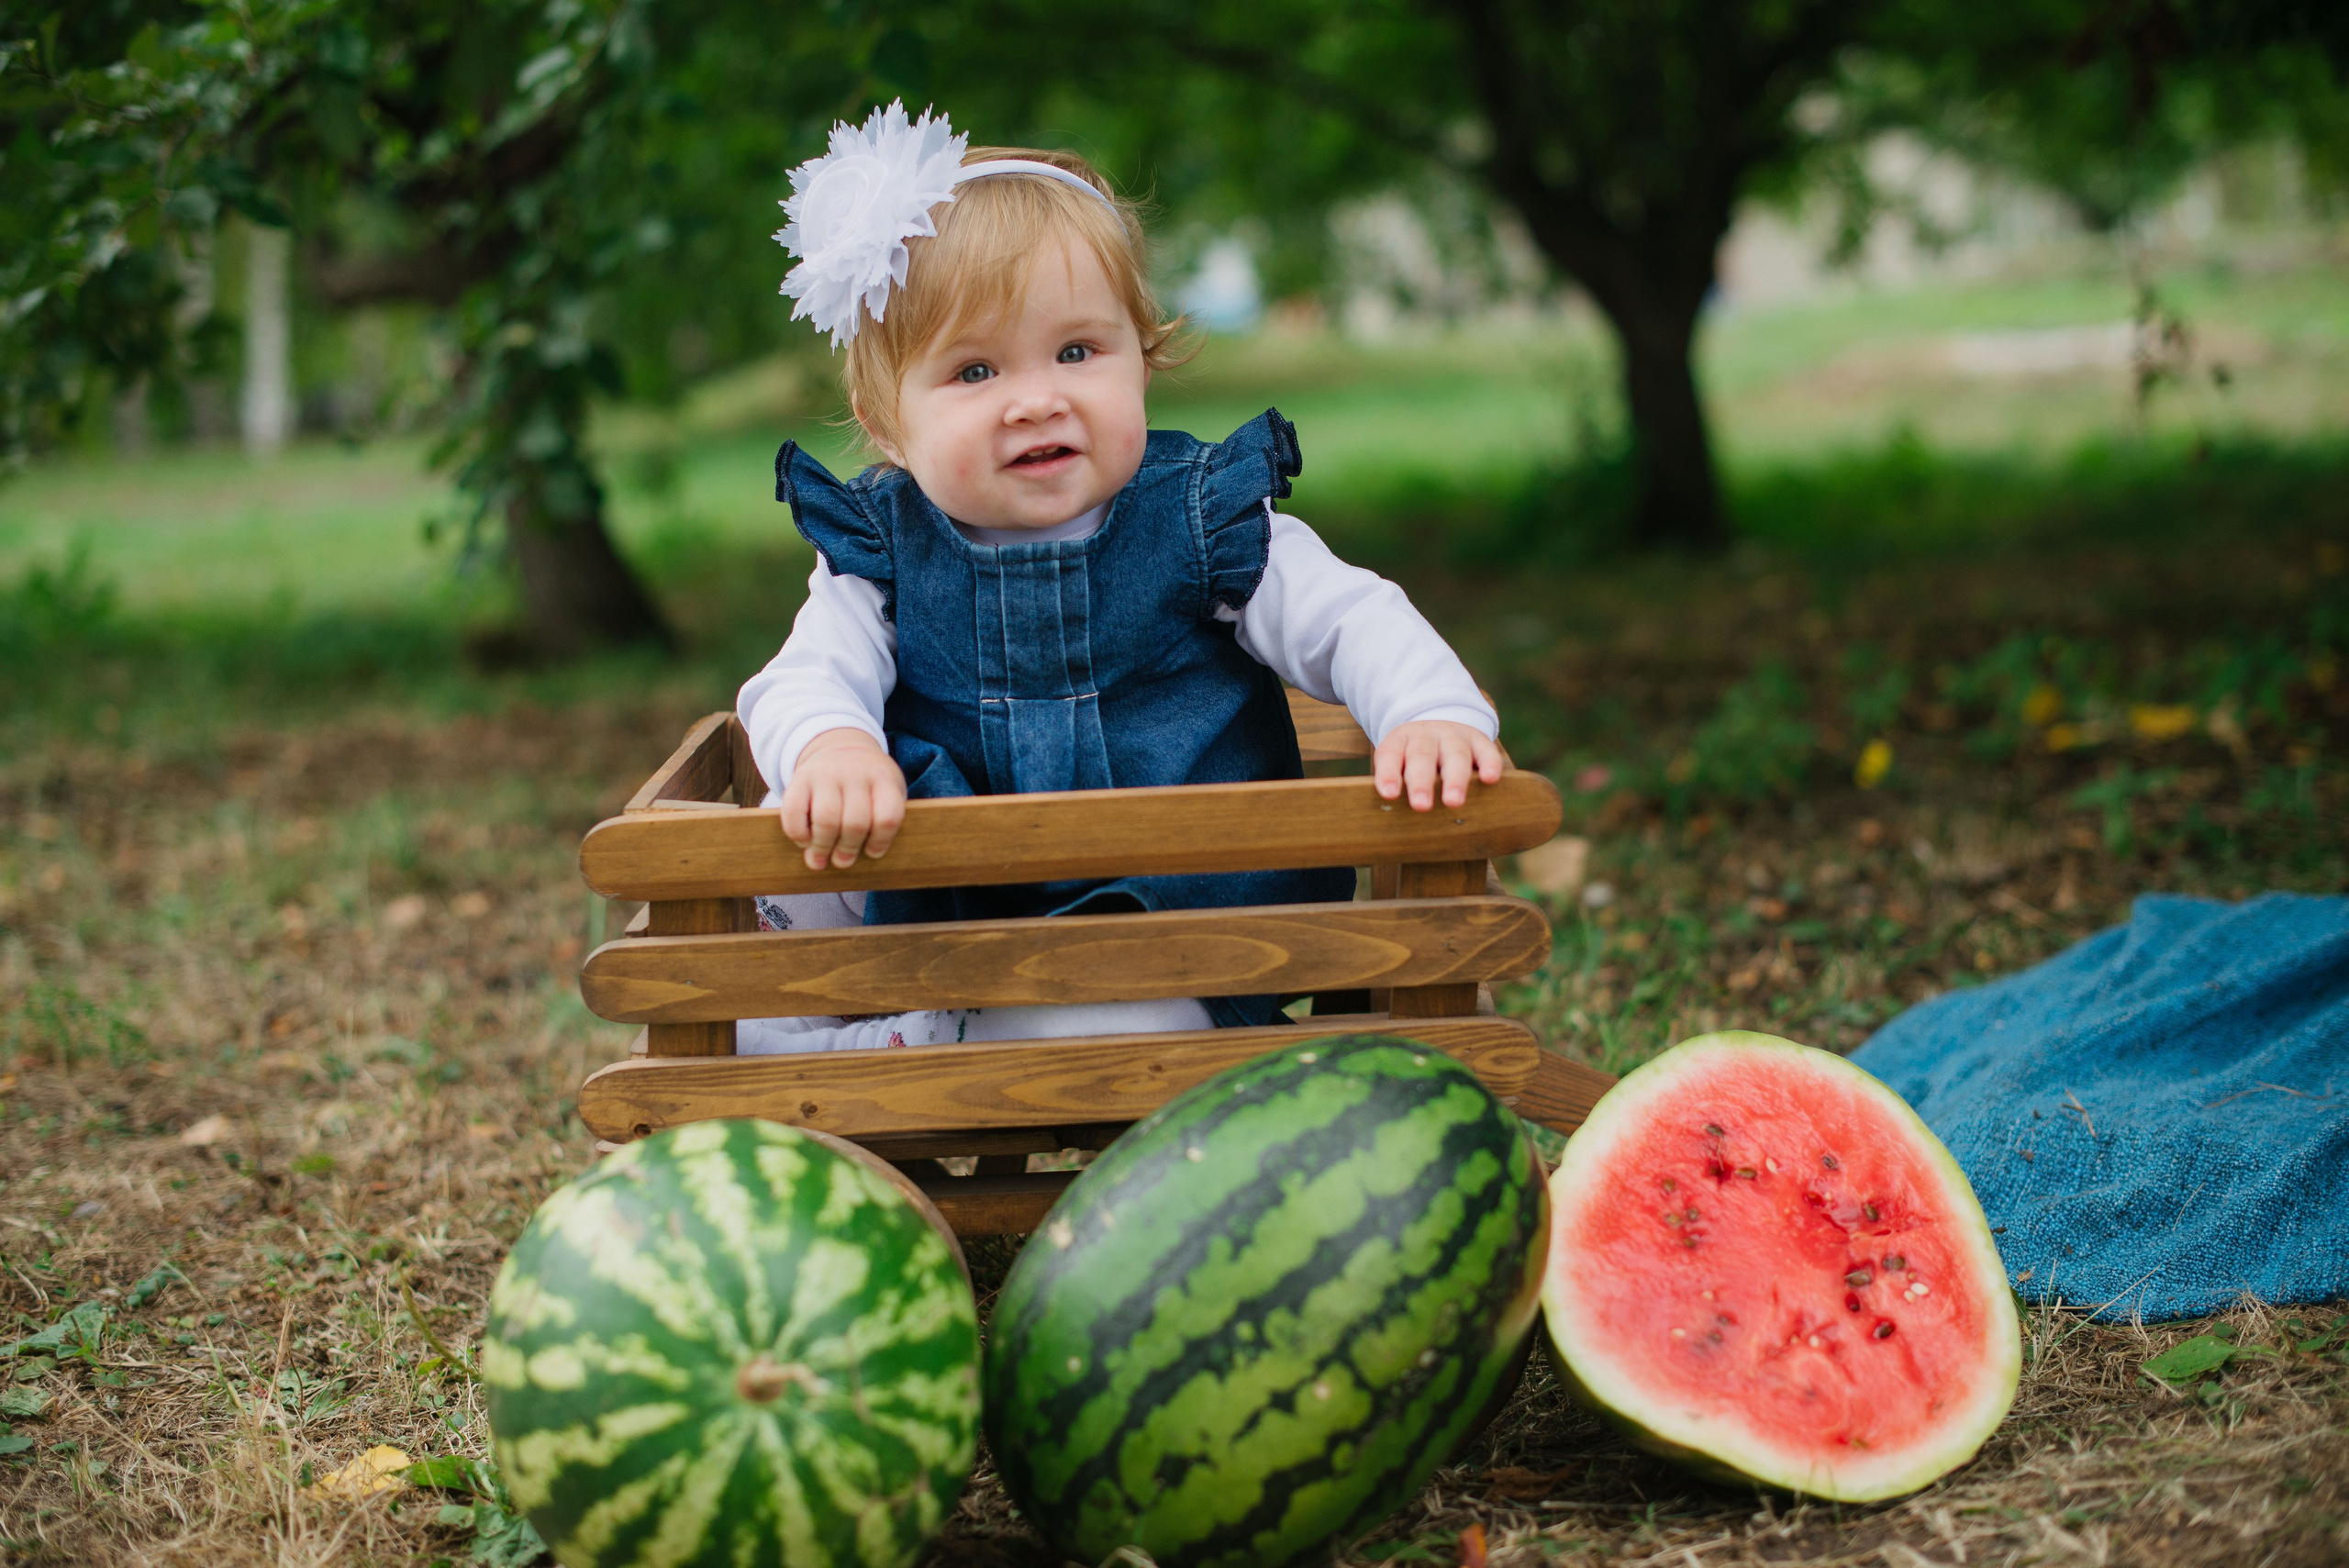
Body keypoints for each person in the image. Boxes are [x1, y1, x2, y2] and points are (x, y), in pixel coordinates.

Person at [736, 102, 1501, 1054]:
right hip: (948, 895)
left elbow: (1349, 617)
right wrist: (833, 746)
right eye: (974, 372)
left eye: (1076, 352)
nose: (1036, 400)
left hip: (1171, 921)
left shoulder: (1201, 518)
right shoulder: (881, 550)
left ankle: (901, 1047)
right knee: (791, 836)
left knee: (1132, 1015)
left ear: (1141, 358)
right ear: (886, 422)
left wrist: (1426, 711)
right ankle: (781, 1022)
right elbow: (804, 675)